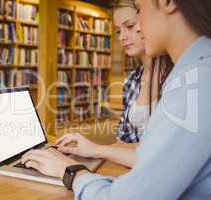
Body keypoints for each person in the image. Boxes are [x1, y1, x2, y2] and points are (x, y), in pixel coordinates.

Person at [22, 0, 211, 199]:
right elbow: (150, 156)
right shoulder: (192, 74)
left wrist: (70, 170)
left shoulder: (195, 82)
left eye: (139, 9)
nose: (138, 26)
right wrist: (95, 150)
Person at [53, 0, 174, 168]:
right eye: (118, 31)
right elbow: (122, 141)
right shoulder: (131, 81)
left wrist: (98, 149)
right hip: (133, 169)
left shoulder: (176, 76)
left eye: (130, 26)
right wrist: (95, 149)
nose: (123, 37)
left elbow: (166, 151)